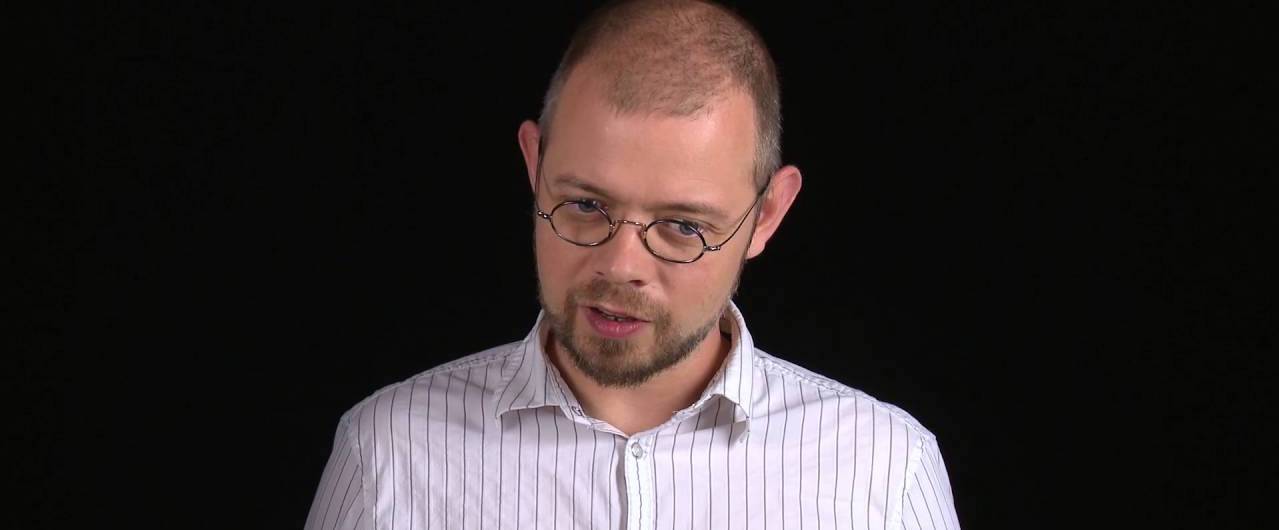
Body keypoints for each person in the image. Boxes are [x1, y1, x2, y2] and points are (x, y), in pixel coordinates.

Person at [304, 1, 960, 528]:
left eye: (683, 227)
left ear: (766, 216)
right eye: (585, 205)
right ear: (534, 166)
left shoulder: (885, 469)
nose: (620, 267)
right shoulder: (385, 453)